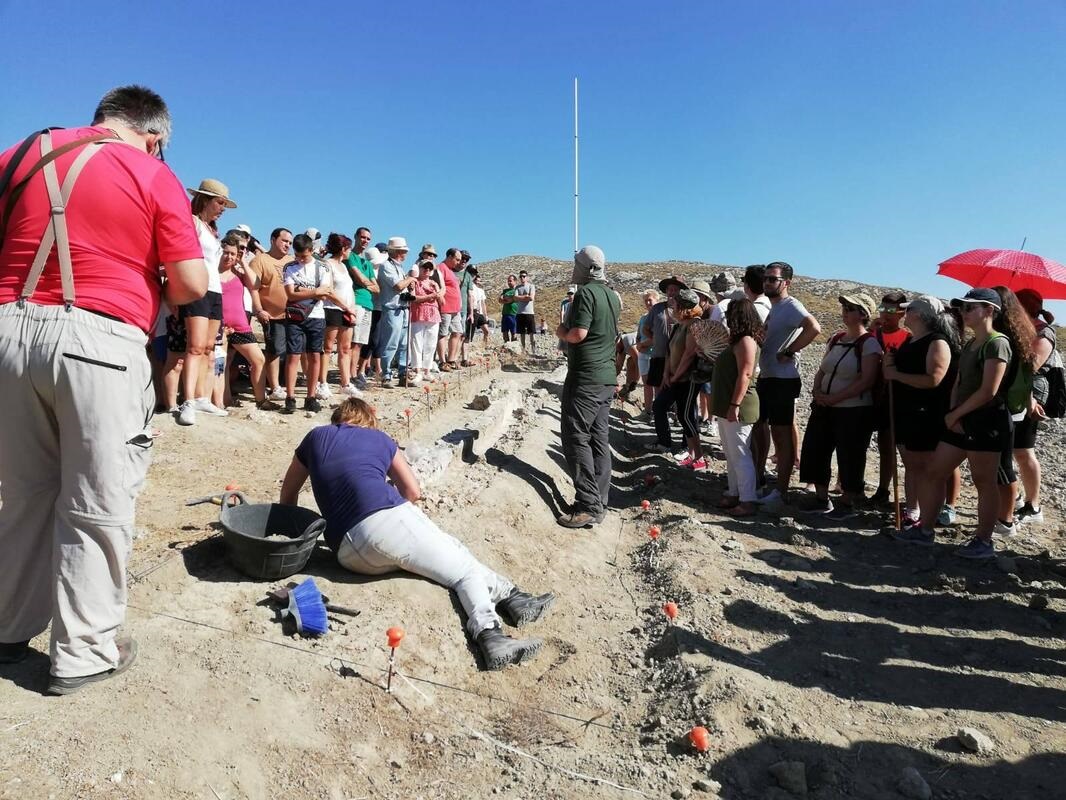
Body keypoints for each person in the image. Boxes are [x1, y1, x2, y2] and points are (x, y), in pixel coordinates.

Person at [0, 85, 207, 691]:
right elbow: (193, 283)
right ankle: (85, 652)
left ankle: (9, 629)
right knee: (97, 500)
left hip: (8, 328)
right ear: (155, 136)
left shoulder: (18, 154)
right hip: (99, 340)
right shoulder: (150, 171)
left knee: (24, 492)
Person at [280, 398, 552, 670]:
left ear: (338, 419)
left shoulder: (315, 437)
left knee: (452, 549)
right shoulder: (380, 439)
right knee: (463, 571)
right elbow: (412, 491)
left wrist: (292, 542)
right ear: (367, 420)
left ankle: (512, 597)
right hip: (383, 522)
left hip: (345, 553)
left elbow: (288, 493)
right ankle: (490, 634)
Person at [899, 287, 1036, 559]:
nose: (964, 312)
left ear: (990, 311)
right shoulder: (972, 343)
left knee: (984, 481)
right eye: (963, 308)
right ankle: (925, 530)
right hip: (962, 418)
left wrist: (956, 414)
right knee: (935, 471)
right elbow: (959, 383)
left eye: (971, 307)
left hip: (987, 420)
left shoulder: (998, 343)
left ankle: (984, 542)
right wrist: (953, 412)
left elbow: (989, 391)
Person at [798, 293, 883, 519]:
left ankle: (847, 501)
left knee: (850, 454)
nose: (845, 311)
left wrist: (834, 398)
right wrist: (817, 392)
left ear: (863, 314)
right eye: (844, 307)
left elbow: (866, 380)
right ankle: (821, 497)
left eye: (851, 308)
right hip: (825, 405)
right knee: (817, 449)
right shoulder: (836, 339)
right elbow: (822, 369)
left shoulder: (869, 343)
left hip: (853, 410)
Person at [556, 245, 621, 528]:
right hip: (606, 376)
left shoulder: (585, 293)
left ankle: (587, 504)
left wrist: (561, 330)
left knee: (575, 436)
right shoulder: (612, 296)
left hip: (585, 377)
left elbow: (578, 334)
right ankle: (600, 500)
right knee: (598, 438)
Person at [882, 295, 957, 526]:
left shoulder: (937, 342)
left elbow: (933, 379)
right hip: (908, 411)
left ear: (920, 315)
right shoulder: (912, 340)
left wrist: (894, 374)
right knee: (912, 464)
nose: (904, 313)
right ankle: (912, 510)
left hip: (926, 413)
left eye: (909, 309)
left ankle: (926, 517)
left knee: (925, 467)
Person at [752, 262, 821, 507]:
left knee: (781, 434)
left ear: (786, 283)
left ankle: (782, 491)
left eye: (773, 279)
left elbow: (814, 328)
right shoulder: (775, 306)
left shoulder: (792, 306)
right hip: (769, 376)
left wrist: (790, 351)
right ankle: (767, 482)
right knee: (763, 428)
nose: (767, 283)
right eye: (766, 279)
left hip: (782, 379)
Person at [173, 178, 238, 425]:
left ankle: (201, 396)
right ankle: (188, 399)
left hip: (214, 290)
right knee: (196, 346)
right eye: (220, 203)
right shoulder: (193, 223)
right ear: (206, 200)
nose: (222, 209)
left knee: (210, 348)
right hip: (197, 288)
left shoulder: (210, 230)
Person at [1007, 289, 1056, 525]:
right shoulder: (1018, 327)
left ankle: (1033, 505)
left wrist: (1029, 398)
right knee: (1011, 448)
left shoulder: (1044, 332)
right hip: (1015, 390)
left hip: (1029, 393)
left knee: (1023, 450)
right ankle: (1013, 495)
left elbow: (1031, 366)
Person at [282, 233, 347, 413]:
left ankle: (310, 396)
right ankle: (290, 397)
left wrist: (302, 289)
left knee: (314, 356)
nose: (301, 260)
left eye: (304, 256)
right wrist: (314, 291)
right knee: (293, 356)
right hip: (295, 316)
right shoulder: (290, 267)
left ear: (311, 250)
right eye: (298, 256)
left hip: (316, 316)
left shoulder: (322, 268)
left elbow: (325, 293)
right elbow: (290, 294)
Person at [710, 299, 762, 516]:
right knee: (731, 453)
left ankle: (748, 499)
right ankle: (734, 492)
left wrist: (734, 405)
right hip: (726, 404)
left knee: (740, 453)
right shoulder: (736, 341)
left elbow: (746, 375)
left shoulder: (746, 342)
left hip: (738, 405)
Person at [218, 234, 274, 410]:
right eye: (226, 253)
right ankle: (222, 400)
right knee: (221, 365)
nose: (230, 257)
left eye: (234, 254)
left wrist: (242, 262)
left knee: (258, 359)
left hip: (241, 325)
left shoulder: (238, 272)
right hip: (218, 326)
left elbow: (255, 284)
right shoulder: (212, 271)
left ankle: (260, 399)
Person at [652, 289, 708, 468]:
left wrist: (675, 376)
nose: (672, 307)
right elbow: (670, 352)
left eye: (675, 305)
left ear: (683, 307)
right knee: (664, 406)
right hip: (674, 378)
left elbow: (689, 355)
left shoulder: (695, 325)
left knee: (686, 416)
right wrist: (667, 374)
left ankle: (697, 456)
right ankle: (690, 453)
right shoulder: (679, 325)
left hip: (688, 379)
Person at [868, 291, 912, 507]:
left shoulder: (908, 338)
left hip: (893, 397)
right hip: (870, 393)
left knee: (888, 445)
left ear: (902, 313)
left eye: (891, 310)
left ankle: (884, 489)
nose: (885, 314)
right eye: (883, 308)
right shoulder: (872, 334)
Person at [248, 227, 294, 398]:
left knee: (294, 352)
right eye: (284, 241)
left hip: (293, 314)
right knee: (274, 351)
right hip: (272, 315)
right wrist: (259, 310)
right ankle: (274, 387)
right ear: (273, 240)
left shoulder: (292, 261)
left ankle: (288, 384)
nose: (287, 245)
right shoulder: (260, 260)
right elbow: (253, 288)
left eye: (290, 242)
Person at [375, 237, 415, 387]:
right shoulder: (386, 266)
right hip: (392, 309)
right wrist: (411, 277)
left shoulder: (398, 267)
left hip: (403, 308)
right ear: (399, 251)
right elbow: (397, 286)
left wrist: (409, 284)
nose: (405, 253)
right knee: (391, 342)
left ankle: (403, 373)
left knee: (404, 343)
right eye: (404, 251)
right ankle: (386, 375)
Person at [321, 233, 357, 397]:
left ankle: (346, 382)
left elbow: (348, 289)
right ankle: (322, 382)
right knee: (327, 348)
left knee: (345, 348)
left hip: (347, 310)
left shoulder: (344, 266)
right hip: (332, 309)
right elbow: (328, 290)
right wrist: (344, 306)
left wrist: (351, 308)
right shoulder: (327, 264)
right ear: (343, 249)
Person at [345, 227, 379, 389]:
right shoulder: (350, 256)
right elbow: (360, 280)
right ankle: (350, 375)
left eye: (368, 238)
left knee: (359, 342)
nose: (365, 241)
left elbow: (377, 288)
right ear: (356, 237)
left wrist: (367, 283)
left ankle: (355, 373)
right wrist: (368, 283)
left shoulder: (368, 263)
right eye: (363, 237)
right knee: (353, 341)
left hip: (368, 304)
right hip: (356, 301)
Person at [409, 259, 445, 385]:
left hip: (433, 314)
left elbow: (442, 302)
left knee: (430, 344)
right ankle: (417, 370)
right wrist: (429, 297)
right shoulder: (415, 282)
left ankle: (427, 370)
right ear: (420, 268)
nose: (427, 270)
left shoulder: (434, 283)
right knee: (417, 342)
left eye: (430, 268)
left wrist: (437, 291)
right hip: (418, 313)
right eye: (425, 268)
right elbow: (413, 298)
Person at [437, 248, 466, 370]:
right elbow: (438, 286)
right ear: (450, 257)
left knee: (457, 332)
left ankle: (451, 359)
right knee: (443, 333)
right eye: (457, 259)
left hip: (455, 309)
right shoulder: (440, 268)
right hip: (445, 307)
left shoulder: (450, 270)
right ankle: (442, 361)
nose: (458, 262)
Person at [633, 289, 659, 412]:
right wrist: (639, 344)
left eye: (650, 300)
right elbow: (638, 334)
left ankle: (659, 412)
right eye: (646, 300)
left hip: (654, 354)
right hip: (643, 354)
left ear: (656, 300)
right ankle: (648, 411)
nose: (648, 302)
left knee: (657, 386)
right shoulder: (643, 318)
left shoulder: (659, 317)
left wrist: (641, 345)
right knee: (646, 384)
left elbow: (656, 338)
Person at [514, 270, 537, 353]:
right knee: (522, 333)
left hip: (529, 313)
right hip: (520, 313)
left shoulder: (531, 286)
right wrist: (525, 296)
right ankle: (523, 350)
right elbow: (515, 298)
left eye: (524, 276)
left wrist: (521, 297)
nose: (522, 278)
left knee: (532, 333)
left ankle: (533, 351)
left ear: (527, 277)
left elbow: (531, 298)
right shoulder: (517, 287)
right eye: (520, 276)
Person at [499, 274, 519, 342]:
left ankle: (514, 347)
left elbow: (513, 299)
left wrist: (506, 299)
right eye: (508, 281)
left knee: (514, 332)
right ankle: (506, 346)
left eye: (510, 281)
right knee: (505, 332)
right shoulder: (505, 291)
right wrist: (509, 299)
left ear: (515, 281)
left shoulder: (517, 290)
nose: (509, 282)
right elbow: (500, 300)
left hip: (513, 314)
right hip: (505, 313)